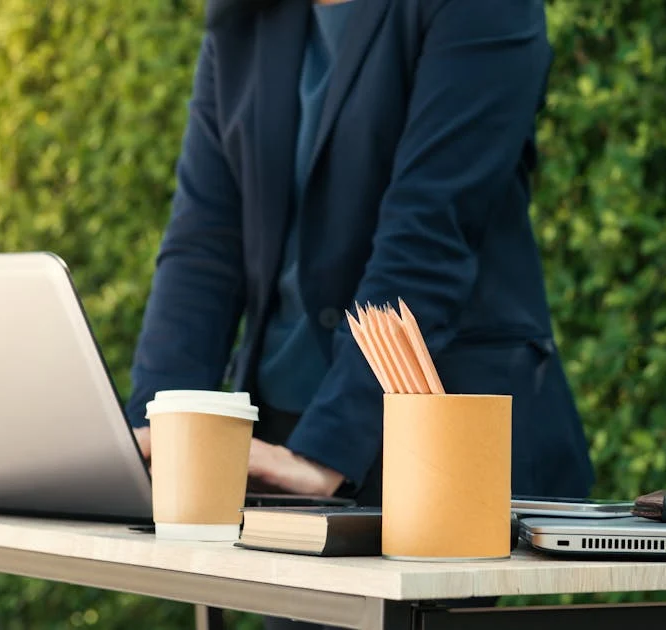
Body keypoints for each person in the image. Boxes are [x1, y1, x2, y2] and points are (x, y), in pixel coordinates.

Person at [126, 0, 594, 623]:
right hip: (280, 445)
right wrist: (152, 439)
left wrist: (326, 454)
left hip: (437, 456)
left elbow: (430, 234)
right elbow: (204, 246)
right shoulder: (247, 18)